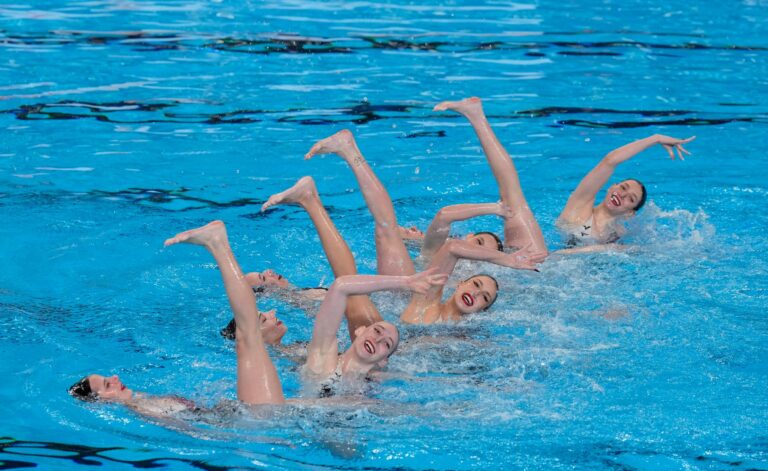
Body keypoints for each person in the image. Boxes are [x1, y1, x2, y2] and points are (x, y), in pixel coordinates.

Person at [69, 221, 446, 408]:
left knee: (193, 406)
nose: (378, 339)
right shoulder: (323, 356)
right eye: (379, 330)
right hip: (269, 419)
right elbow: (342, 285)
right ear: (361, 332)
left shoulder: (374, 391)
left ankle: (122, 398)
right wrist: (407, 280)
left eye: (386, 343)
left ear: (384, 358)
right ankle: (218, 245)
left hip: (270, 426)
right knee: (248, 335)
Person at [285, 128, 543, 324]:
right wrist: (507, 259)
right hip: (396, 294)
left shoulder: (462, 331)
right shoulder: (430, 297)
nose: (476, 295)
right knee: (384, 233)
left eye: (483, 298)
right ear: (462, 282)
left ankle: (310, 198)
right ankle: (347, 156)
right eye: (476, 286)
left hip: (385, 312)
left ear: (482, 312)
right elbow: (452, 244)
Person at [394, 96, 549, 261]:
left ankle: (475, 115)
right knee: (513, 203)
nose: (476, 249)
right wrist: (496, 208)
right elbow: (444, 216)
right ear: (466, 237)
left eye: (482, 247)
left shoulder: (439, 259)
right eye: (479, 242)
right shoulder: (437, 255)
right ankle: (476, 116)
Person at [557, 134, 695, 247]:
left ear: (629, 213)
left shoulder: (618, 234)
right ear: (612, 187)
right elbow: (610, 161)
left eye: (631, 199)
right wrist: (656, 138)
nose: (622, 195)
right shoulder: (579, 206)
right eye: (623, 187)